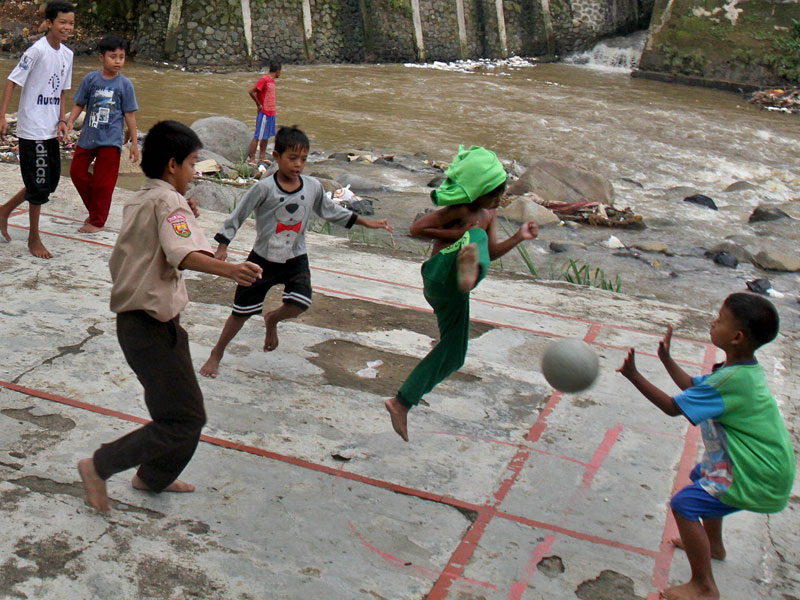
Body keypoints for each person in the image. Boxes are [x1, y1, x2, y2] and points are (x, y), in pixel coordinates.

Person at [77, 121, 263, 513]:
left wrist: (184, 212)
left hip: (142, 323)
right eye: (193, 163)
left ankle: (152, 477)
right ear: (173, 165)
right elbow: (183, 253)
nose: (195, 172)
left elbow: (166, 238)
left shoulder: (145, 197)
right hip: (150, 325)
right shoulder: (168, 203)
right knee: (184, 418)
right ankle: (99, 466)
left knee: (181, 413)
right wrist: (230, 270)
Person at [617, 293, 795, 600]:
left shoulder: (731, 380)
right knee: (703, 475)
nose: (713, 322)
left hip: (757, 473)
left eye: (720, 319)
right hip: (763, 465)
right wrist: (667, 360)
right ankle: (713, 545)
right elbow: (693, 389)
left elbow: (674, 407)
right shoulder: (739, 371)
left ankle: (704, 586)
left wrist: (634, 376)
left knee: (684, 505)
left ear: (737, 337)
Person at [199, 125, 394, 378]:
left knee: (299, 304)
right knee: (240, 313)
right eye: (292, 158)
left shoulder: (312, 186)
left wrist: (366, 221)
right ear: (277, 157)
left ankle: (272, 320)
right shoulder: (264, 188)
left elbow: (331, 211)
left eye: (303, 159)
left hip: (295, 258)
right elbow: (239, 214)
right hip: (262, 260)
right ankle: (217, 353)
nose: (298, 164)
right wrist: (223, 246)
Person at [384, 145, 538, 442]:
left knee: (455, 354)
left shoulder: (489, 214)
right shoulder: (458, 210)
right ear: (476, 191)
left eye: (500, 195)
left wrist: (519, 237)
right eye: (493, 194)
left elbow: (490, 253)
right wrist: (461, 234)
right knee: (475, 237)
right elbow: (417, 229)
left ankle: (401, 403)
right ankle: (464, 270)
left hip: (456, 290)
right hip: (438, 273)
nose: (497, 200)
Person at [0, 1, 74, 259]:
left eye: (71, 23)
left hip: (51, 128)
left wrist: (63, 121)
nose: (67, 27)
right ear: (50, 23)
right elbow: (12, 81)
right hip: (32, 128)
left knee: (48, 182)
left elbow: (62, 92)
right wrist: (2, 116)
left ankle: (4, 210)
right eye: (62, 22)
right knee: (39, 184)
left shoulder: (67, 55)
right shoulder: (36, 51)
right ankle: (34, 237)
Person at [66, 34, 139, 233]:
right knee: (77, 173)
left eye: (121, 57)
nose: (117, 61)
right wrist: (70, 121)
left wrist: (133, 143)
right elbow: (80, 104)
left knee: (103, 183)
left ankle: (97, 221)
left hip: (111, 140)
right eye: (112, 56)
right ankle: (96, 209)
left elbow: (130, 114)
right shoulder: (91, 79)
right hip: (88, 136)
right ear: (101, 57)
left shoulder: (125, 85)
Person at [247, 60, 281, 165]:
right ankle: (252, 158)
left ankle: (262, 157)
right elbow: (252, 91)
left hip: (271, 113)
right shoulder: (264, 80)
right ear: (278, 71)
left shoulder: (271, 81)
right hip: (265, 112)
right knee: (258, 135)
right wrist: (259, 104)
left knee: (266, 136)